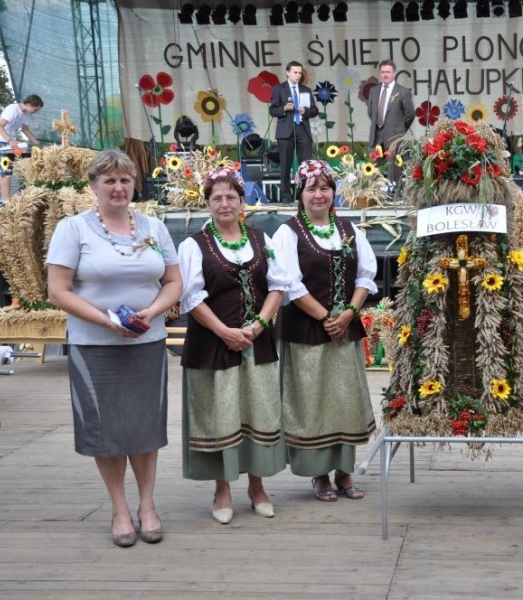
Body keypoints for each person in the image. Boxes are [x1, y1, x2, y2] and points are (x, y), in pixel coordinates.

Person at [46, 150, 182, 547]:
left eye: (125, 179)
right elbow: (57, 291)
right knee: (105, 428)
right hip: (95, 345)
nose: (119, 187)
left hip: (147, 341)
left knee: (144, 425)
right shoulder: (73, 229)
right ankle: (119, 509)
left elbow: (174, 282)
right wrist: (107, 321)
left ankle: (147, 506)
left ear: (134, 183)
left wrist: (152, 312)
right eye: (109, 181)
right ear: (93, 186)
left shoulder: (154, 227)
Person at [176, 166, 288, 525]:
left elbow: (277, 287)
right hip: (214, 346)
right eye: (217, 198)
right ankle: (222, 488)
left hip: (258, 341)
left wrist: (259, 324)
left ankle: (257, 486)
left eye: (231, 197)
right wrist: (225, 332)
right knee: (221, 415)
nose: (224, 204)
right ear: (207, 203)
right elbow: (191, 299)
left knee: (257, 412)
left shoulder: (260, 240)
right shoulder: (193, 245)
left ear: (243, 202)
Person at [272, 159, 377, 501]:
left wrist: (347, 314)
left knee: (344, 396)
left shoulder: (349, 229)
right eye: (311, 188)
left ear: (334, 192)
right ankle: (319, 474)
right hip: (306, 330)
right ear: (300, 194)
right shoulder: (288, 233)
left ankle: (345, 472)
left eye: (325, 188)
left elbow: (365, 275)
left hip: (343, 328)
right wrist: (325, 318)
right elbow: (289, 283)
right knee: (313, 400)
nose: (319, 195)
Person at [269, 61, 319, 202]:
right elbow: (272, 110)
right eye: (295, 72)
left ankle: (305, 196)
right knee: (286, 165)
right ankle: (286, 197)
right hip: (286, 131)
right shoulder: (279, 89)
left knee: (306, 166)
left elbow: (315, 110)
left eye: (299, 73)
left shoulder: (306, 90)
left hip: (302, 129)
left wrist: (306, 111)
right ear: (287, 73)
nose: (298, 75)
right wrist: (284, 108)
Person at [367, 59, 414, 184]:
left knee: (394, 167)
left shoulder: (403, 92)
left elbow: (410, 114)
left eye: (388, 72)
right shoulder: (374, 90)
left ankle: (395, 195)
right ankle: (376, 195)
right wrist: (379, 124)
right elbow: (370, 112)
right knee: (374, 169)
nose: (385, 75)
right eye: (383, 72)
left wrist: (400, 129)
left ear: (394, 73)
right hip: (376, 134)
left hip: (394, 135)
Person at [0, 94, 43, 203]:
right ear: (28, 104)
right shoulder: (12, 109)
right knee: (5, 171)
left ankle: (18, 198)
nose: (35, 112)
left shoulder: (26, 114)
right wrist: (10, 141)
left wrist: (36, 143)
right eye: (35, 109)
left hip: (11, 144)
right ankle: (5, 201)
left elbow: (25, 129)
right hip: (0, 141)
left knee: (11, 170)